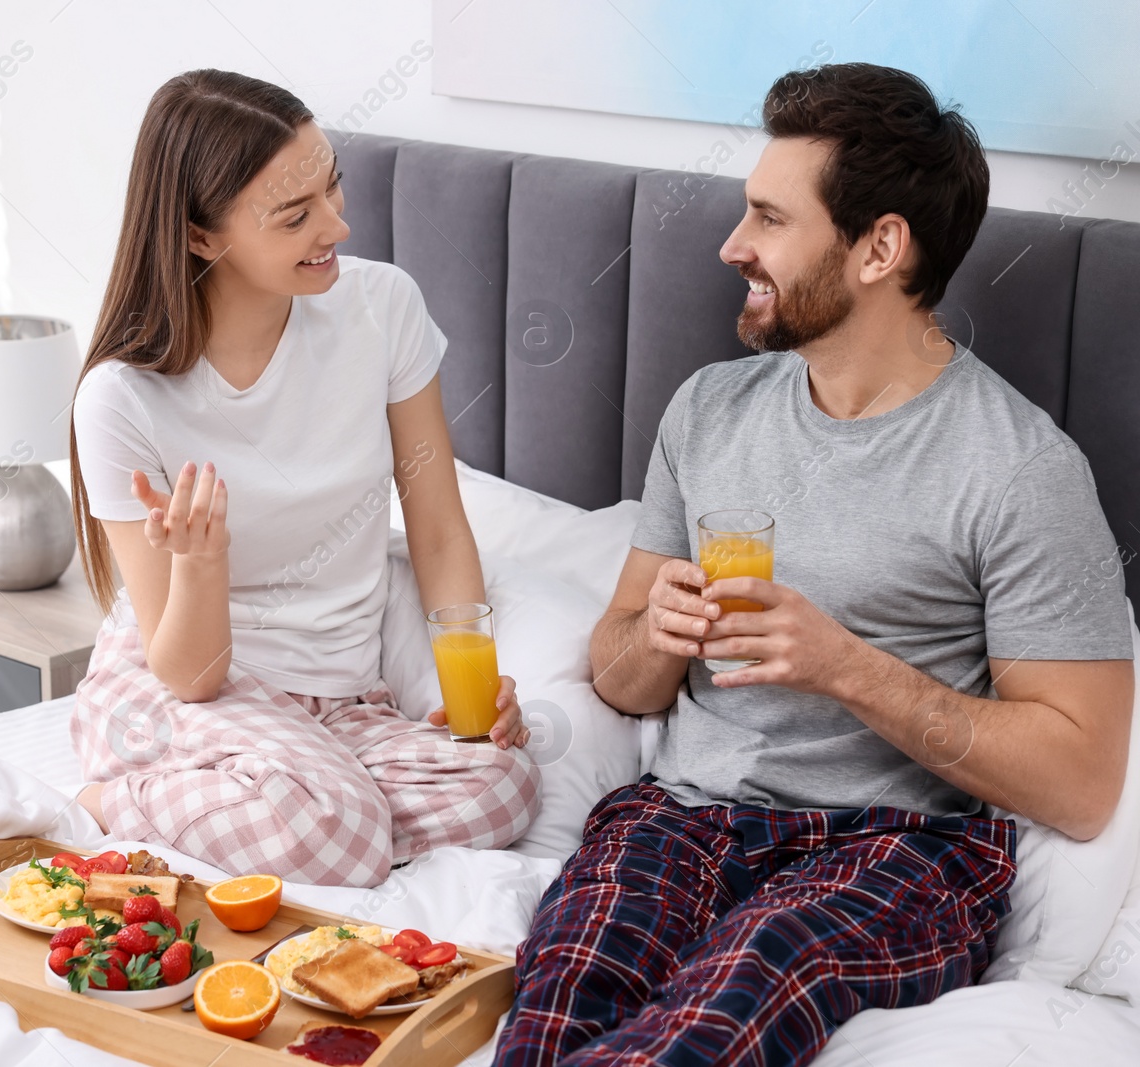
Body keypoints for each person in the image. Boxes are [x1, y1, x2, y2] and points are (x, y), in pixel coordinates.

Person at [496, 62, 1134, 1066]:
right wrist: (654, 634)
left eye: (768, 219)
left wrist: (844, 665)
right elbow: (620, 678)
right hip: (680, 817)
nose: (731, 246)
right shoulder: (707, 410)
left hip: (898, 848)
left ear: (880, 246)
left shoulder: (1020, 469)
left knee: (718, 1019)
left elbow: (1081, 780)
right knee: (552, 1007)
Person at [67, 70, 541, 889]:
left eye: (332, 189)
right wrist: (201, 561)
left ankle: (300, 805)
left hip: (342, 701)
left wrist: (478, 679)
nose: (338, 225)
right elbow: (188, 673)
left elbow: (435, 526)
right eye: (297, 215)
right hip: (186, 696)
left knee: (501, 785)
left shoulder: (381, 308)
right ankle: (112, 802)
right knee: (342, 826)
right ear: (199, 236)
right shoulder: (121, 398)